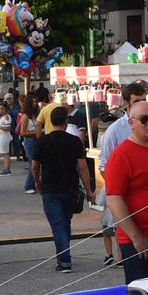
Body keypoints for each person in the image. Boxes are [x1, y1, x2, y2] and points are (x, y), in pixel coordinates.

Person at [103, 97, 148, 281]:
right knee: (142, 293)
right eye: (144, 119)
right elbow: (114, 200)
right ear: (131, 123)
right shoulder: (120, 156)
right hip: (139, 237)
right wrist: (137, 237)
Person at [33, 105, 91, 273]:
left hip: (50, 188)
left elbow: (35, 166)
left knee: (58, 224)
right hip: (70, 188)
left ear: (50, 122)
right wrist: (89, 190)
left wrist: (37, 182)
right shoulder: (75, 142)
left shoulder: (42, 141)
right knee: (65, 222)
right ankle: (64, 253)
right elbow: (82, 167)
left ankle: (64, 260)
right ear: (66, 122)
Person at [98, 81, 148, 158]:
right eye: (137, 102)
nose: (141, 105)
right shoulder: (115, 130)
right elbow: (104, 163)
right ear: (126, 103)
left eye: (144, 100)